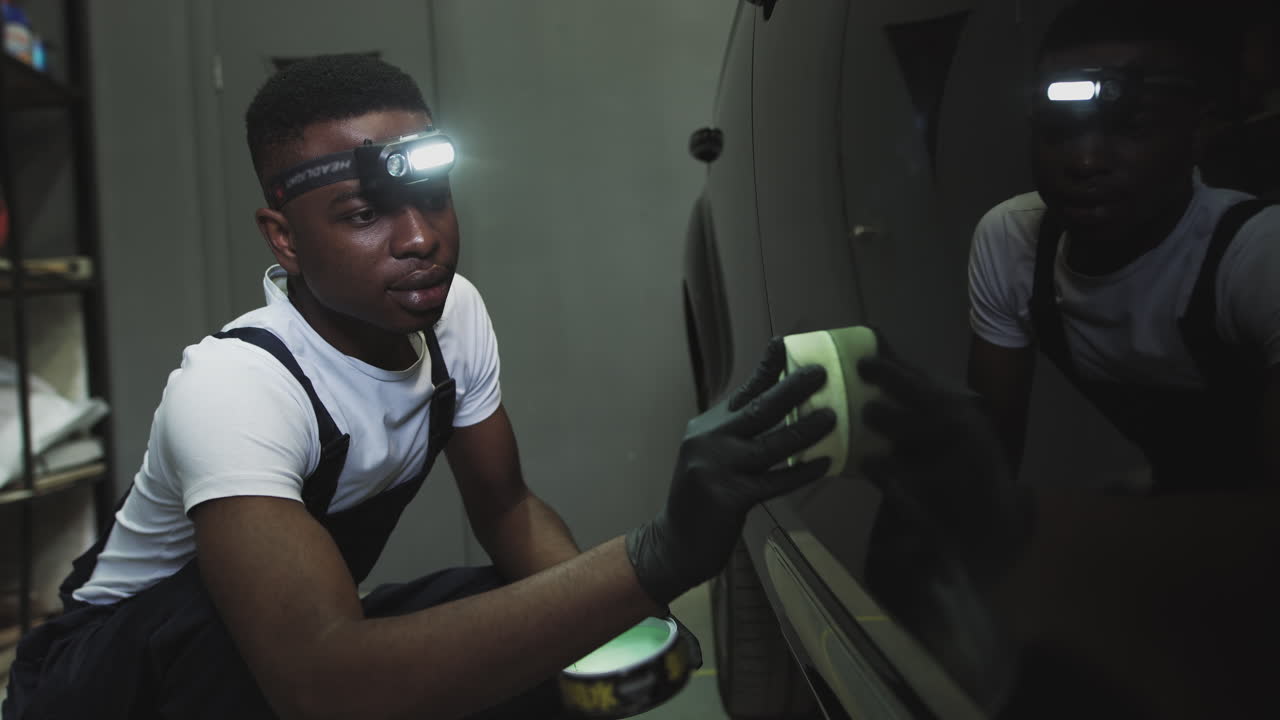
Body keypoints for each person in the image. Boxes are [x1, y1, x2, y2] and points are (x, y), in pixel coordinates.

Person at [1, 54, 837, 720]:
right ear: (284, 238)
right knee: (244, 638)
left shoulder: (450, 315)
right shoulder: (235, 386)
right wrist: (654, 560)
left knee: (535, 624)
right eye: (364, 215)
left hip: (283, 655)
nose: (419, 238)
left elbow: (506, 508)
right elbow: (320, 684)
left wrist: (614, 626)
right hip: (107, 681)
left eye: (431, 198)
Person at [965, 0, 1280, 491]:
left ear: (1198, 133)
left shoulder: (1257, 254)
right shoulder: (1013, 242)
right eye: (1059, 129)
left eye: (1132, 126)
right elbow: (989, 459)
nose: (1087, 161)